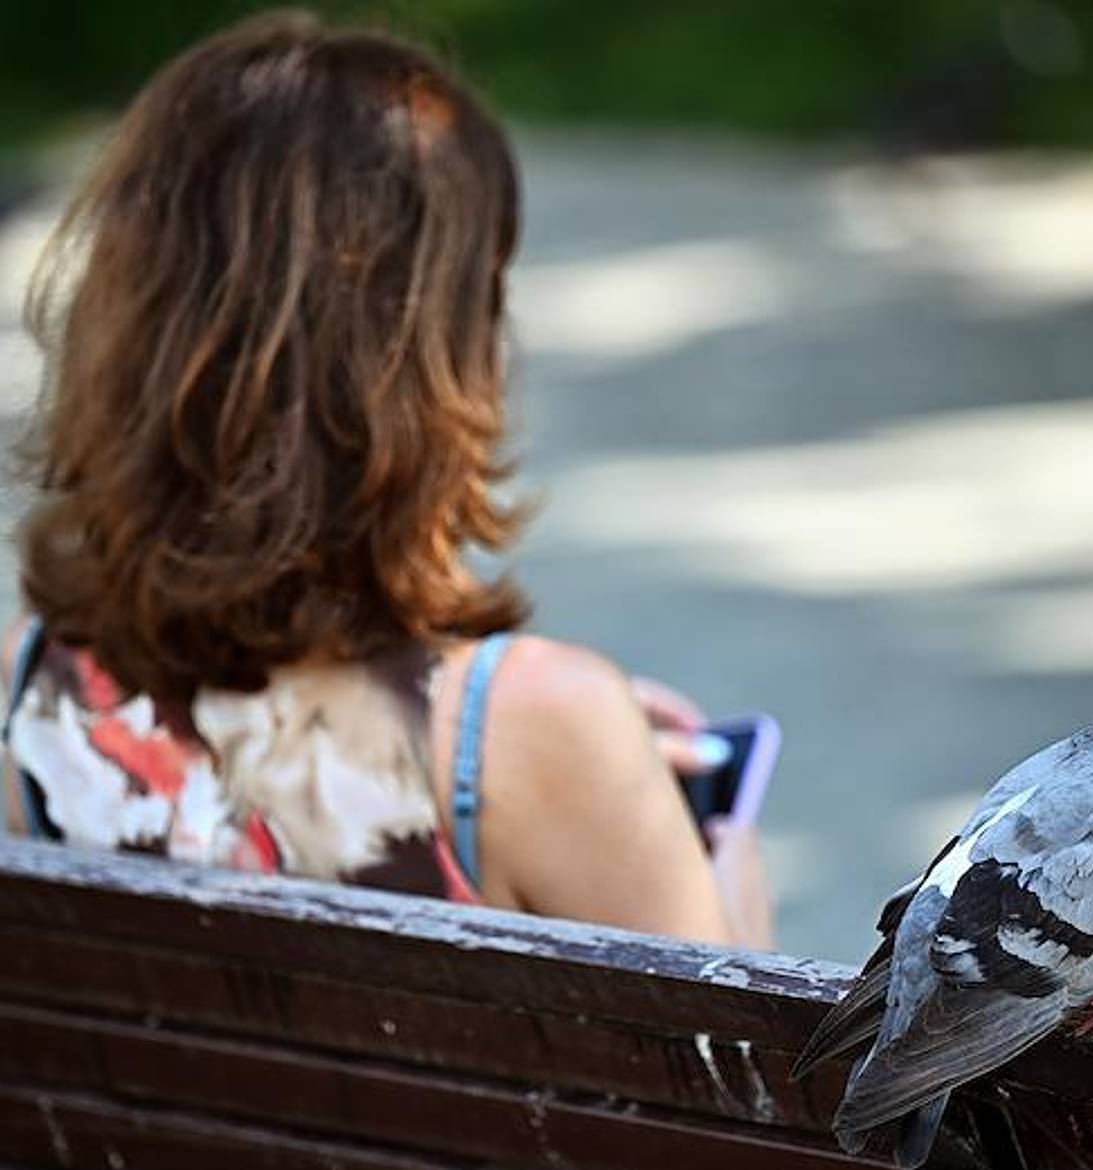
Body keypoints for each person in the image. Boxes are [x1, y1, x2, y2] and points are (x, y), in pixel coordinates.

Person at [0, 11, 772, 949]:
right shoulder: (539, 733)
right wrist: (725, 866)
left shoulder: (27, 687)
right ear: (431, 355)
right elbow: (723, 1084)